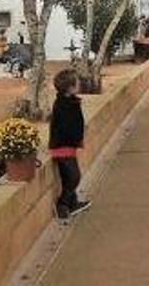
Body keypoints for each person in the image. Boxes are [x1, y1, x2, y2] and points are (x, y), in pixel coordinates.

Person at [49, 69, 92, 219]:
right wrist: (75, 138)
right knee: (74, 177)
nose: (80, 83)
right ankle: (63, 205)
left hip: (69, 146)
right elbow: (65, 126)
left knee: (70, 177)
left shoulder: (71, 101)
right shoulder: (63, 104)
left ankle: (73, 203)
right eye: (77, 82)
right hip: (63, 146)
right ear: (70, 87)